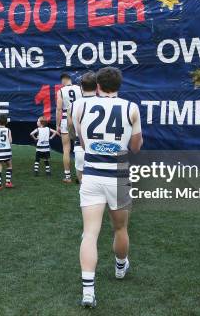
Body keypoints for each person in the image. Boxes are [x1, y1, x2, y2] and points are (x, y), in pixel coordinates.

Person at [74, 67, 143, 308]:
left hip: (92, 175)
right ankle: (120, 267)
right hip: (119, 176)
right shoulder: (131, 108)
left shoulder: (80, 106)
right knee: (120, 228)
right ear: (119, 86)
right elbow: (135, 147)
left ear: (98, 86)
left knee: (90, 233)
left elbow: (83, 141)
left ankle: (88, 291)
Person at [67, 71, 97, 184]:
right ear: (97, 86)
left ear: (81, 87)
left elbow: (70, 126)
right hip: (100, 147)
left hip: (80, 146)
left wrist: (74, 138)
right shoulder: (105, 103)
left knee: (83, 186)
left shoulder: (73, 105)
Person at [56, 72, 82, 183]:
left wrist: (57, 124)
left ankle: (67, 176)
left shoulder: (61, 91)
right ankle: (81, 174)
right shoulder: (80, 88)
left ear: (62, 80)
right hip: (80, 117)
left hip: (66, 118)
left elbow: (59, 109)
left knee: (66, 148)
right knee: (81, 147)